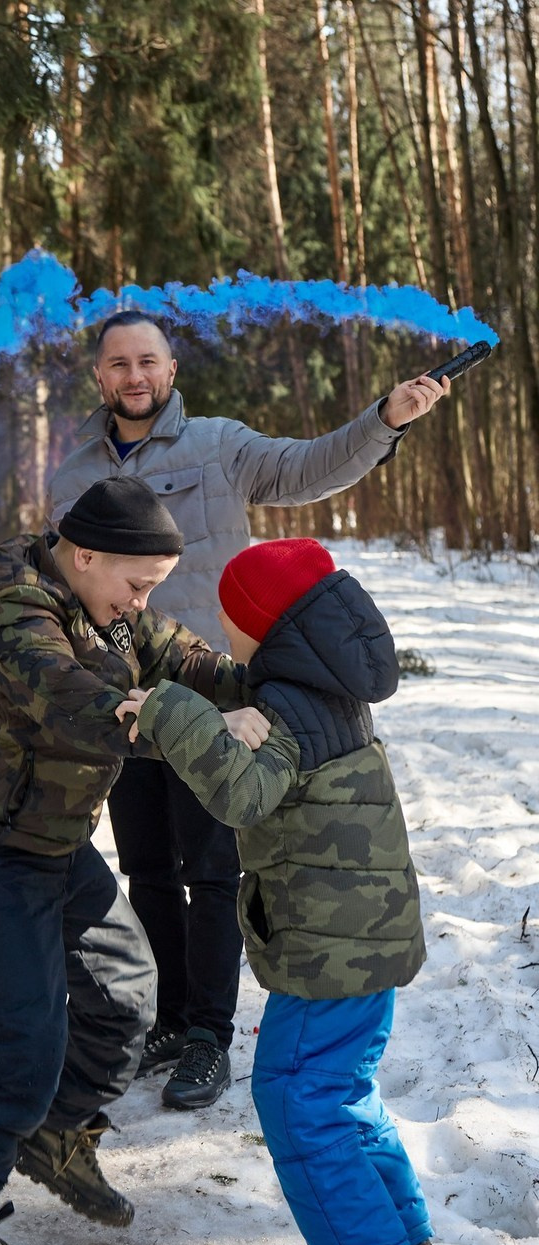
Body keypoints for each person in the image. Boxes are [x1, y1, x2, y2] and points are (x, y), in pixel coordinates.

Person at [48, 312, 450, 1109]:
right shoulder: (70, 472)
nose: (135, 376)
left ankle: (208, 1034)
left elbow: (308, 467)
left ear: (170, 369)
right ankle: (166, 1019)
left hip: (214, 701)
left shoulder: (219, 445)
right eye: (119, 364)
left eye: (149, 362)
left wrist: (383, 421)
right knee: (148, 870)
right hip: (126, 701)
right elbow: (66, 582)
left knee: (213, 871)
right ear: (99, 377)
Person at [0, 477, 269, 1245]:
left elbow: (189, 659)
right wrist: (202, 727)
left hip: (53, 838)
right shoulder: (15, 606)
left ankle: (52, 1131)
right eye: (136, 585)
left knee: (125, 997)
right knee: (25, 1035)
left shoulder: (112, 605)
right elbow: (73, 702)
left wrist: (278, 690)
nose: (141, 603)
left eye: (152, 590)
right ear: (86, 554)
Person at [114, 538, 447, 1245]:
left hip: (329, 953)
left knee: (297, 1101)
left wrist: (167, 709)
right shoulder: (323, 684)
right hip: (365, 937)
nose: (226, 630)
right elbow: (240, 689)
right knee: (344, 1096)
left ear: (262, 625)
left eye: (232, 616)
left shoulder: (290, 711)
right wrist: (184, 679)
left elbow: (242, 792)